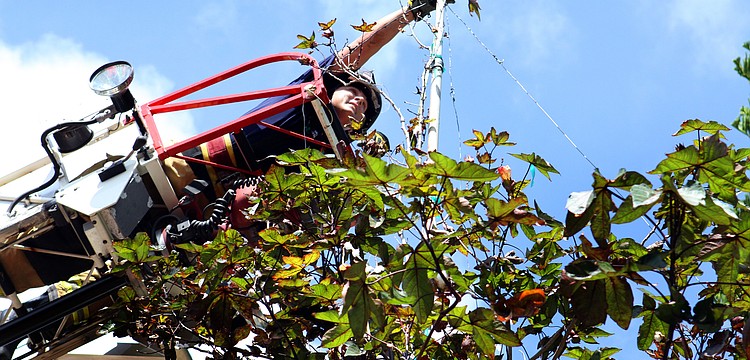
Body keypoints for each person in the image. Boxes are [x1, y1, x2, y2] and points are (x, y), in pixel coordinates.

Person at [164, 2, 441, 200]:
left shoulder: (335, 157)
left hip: (227, 209)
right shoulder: (311, 90)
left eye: (365, 105)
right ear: (338, 86)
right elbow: (369, 44)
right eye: (355, 91)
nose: (359, 100)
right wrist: (411, 13)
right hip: (203, 160)